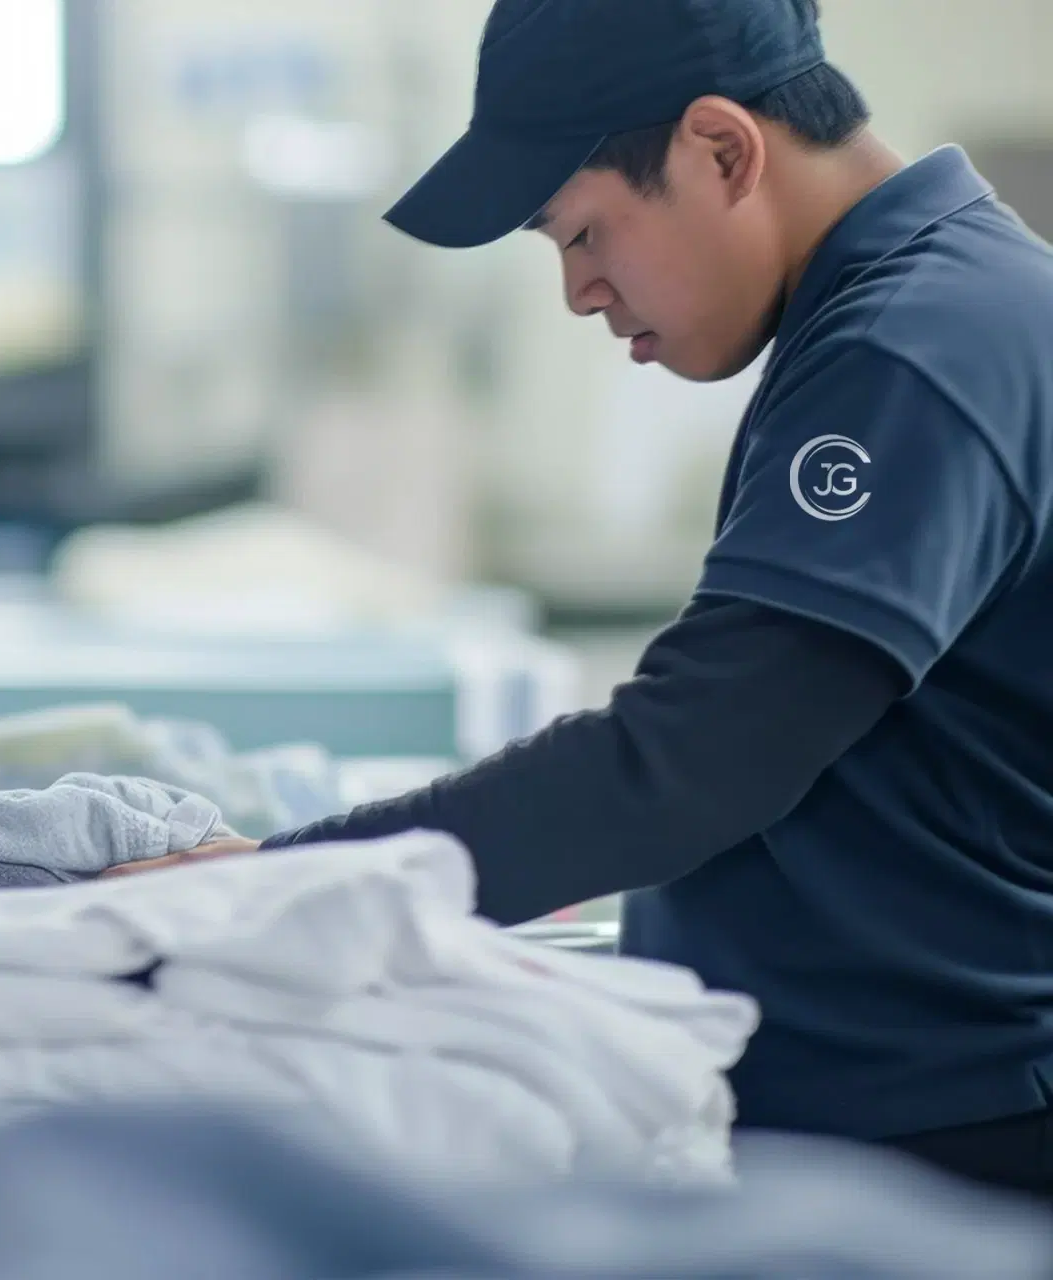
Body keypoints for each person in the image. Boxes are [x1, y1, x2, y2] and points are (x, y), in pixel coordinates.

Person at [103, 0, 1053, 1202]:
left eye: (584, 232)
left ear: (722, 149)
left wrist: (259, 892)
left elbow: (685, 764)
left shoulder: (918, 345)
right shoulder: (902, 316)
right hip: (886, 1108)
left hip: (942, 1143)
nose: (580, 292)